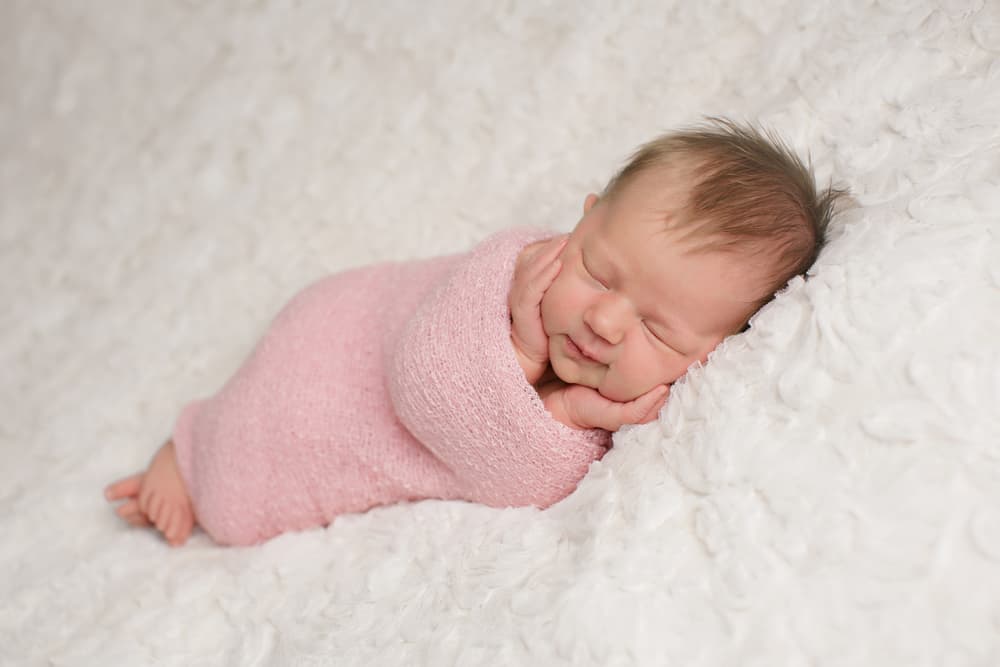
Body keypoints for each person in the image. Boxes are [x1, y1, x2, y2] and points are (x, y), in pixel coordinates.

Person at [105, 118, 843, 547]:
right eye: (598, 268)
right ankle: (189, 448)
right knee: (255, 450)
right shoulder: (517, 265)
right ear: (583, 218)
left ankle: (203, 459)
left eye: (658, 328)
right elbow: (423, 380)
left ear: (714, 354)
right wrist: (520, 348)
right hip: (341, 345)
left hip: (373, 434)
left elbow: (512, 488)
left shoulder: (623, 417)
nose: (603, 320)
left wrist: (567, 414)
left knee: (265, 495)